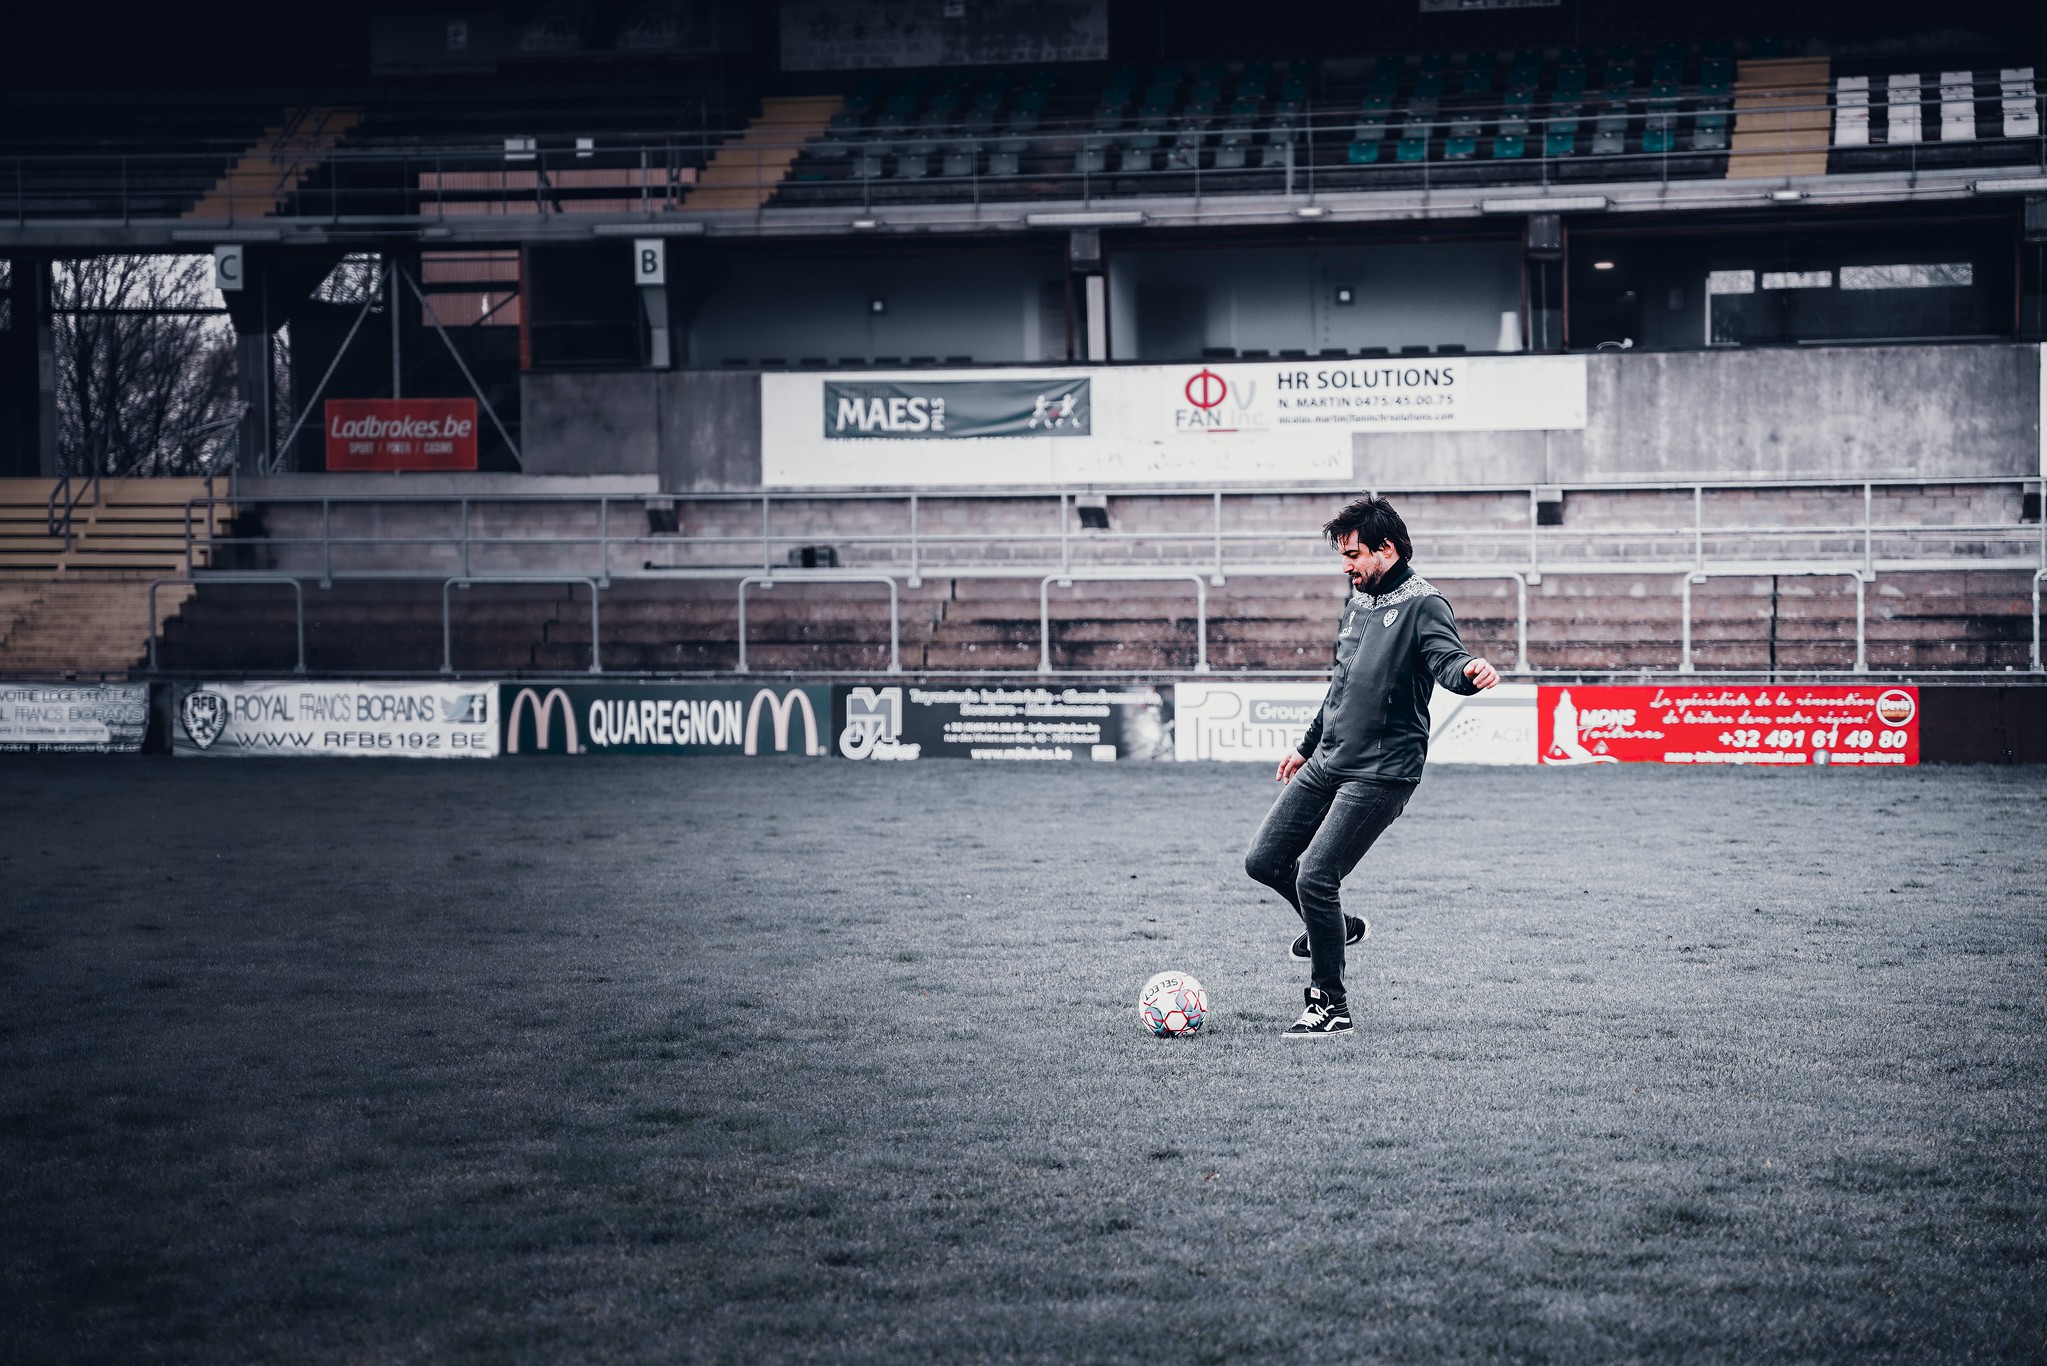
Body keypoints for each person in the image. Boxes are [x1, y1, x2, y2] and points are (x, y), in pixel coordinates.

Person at [1243, 495, 1500, 1038]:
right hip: (1330, 760)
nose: (1346, 566)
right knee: (1264, 861)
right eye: (1342, 555)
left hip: (1381, 773)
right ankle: (1339, 928)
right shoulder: (1358, 598)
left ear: (1387, 549)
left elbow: (1446, 661)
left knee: (1316, 875)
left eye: (1353, 554)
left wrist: (1469, 671)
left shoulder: (1425, 604)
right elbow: (1342, 681)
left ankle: (1329, 1005)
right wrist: (1308, 744)